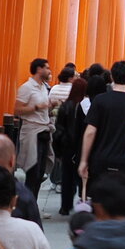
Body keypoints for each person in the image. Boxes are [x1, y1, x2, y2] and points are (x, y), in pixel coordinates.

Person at [79, 60, 125, 189]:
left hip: (101, 160)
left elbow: (90, 132)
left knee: (101, 202)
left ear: (112, 77)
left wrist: (84, 160)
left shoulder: (100, 100)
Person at [51, 74, 89, 216]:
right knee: (82, 176)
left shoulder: (66, 106)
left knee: (67, 177)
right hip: (81, 146)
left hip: (67, 146)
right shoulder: (85, 107)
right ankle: (83, 201)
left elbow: (59, 130)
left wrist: (58, 150)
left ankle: (65, 206)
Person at [14, 57, 55, 191]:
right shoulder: (27, 88)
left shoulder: (43, 87)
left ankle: (33, 206)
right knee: (33, 171)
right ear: (39, 69)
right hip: (32, 131)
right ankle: (28, 206)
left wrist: (50, 106)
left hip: (43, 131)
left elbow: (43, 107)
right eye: (47, 68)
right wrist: (36, 107)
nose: (49, 71)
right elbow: (17, 110)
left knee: (40, 172)